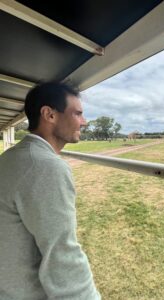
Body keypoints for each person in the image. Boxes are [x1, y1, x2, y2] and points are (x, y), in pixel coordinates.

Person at [0, 82, 101, 299]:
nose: (84, 122)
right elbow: (63, 255)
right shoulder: (44, 166)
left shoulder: (12, 156)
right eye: (78, 114)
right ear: (49, 114)